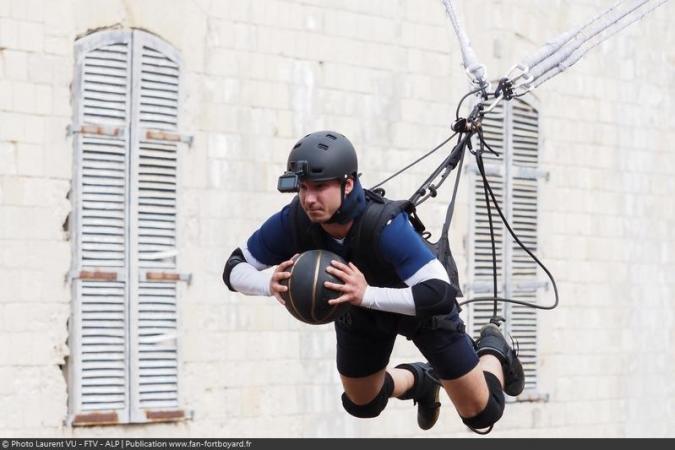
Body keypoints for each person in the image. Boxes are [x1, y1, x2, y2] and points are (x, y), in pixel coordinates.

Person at [222, 130, 524, 433]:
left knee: (482, 413)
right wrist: (267, 284)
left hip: (421, 311)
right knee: (363, 403)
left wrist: (367, 294)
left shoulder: (385, 225)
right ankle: (425, 381)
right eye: (302, 188)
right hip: (362, 312)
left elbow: (439, 294)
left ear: (348, 183)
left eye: (319, 187)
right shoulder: (295, 220)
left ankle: (495, 349)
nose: (308, 199)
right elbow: (234, 267)